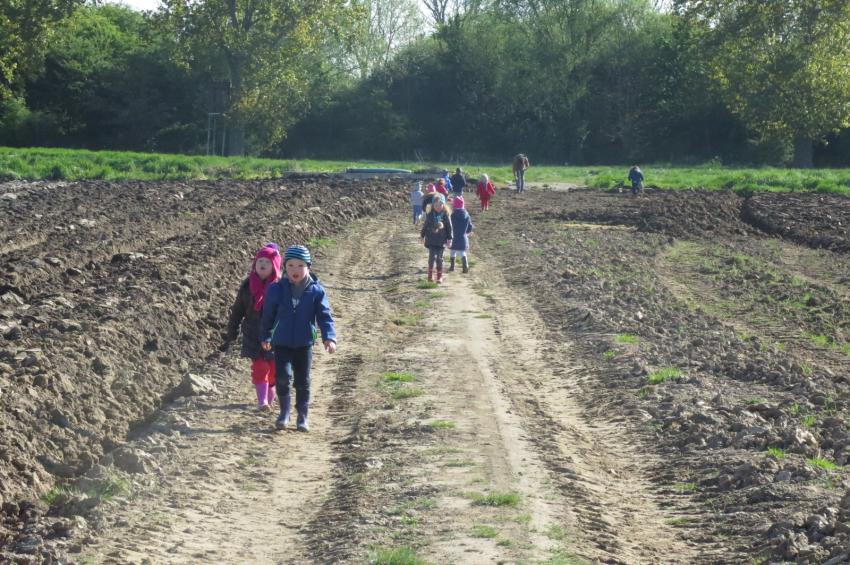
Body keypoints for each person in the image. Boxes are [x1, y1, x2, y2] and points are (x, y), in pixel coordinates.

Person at [260, 245, 337, 432]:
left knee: (303, 381)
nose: (295, 270)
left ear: (308, 267)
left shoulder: (316, 291)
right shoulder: (276, 289)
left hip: (304, 344)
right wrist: (266, 336)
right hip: (282, 342)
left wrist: (329, 337)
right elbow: (268, 315)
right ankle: (284, 413)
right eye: (291, 265)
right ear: (284, 266)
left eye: (300, 265)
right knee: (283, 377)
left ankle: (302, 416)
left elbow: (324, 315)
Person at [224, 243, 283, 410]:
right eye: (260, 262)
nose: (262, 265)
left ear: (275, 266)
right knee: (260, 367)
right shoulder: (247, 286)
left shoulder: (281, 287)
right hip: (253, 332)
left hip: (275, 335)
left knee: (273, 369)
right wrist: (232, 331)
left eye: (267, 262)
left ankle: (271, 392)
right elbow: (237, 310)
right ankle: (262, 401)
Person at [420, 194, 453, 284]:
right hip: (431, 240)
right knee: (431, 258)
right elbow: (425, 226)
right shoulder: (430, 215)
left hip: (441, 241)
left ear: (444, 205)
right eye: (436, 205)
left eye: (440, 205)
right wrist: (422, 236)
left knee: (439, 258)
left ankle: (439, 276)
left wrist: (450, 239)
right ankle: (430, 275)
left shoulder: (445, 215)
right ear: (433, 205)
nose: (438, 207)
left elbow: (449, 227)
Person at [449, 196, 474, 274]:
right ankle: (465, 265)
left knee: (452, 251)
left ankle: (452, 266)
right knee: (462, 252)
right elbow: (470, 226)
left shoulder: (452, 215)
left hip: (453, 236)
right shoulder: (466, 215)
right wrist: (467, 232)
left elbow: (449, 225)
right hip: (463, 236)